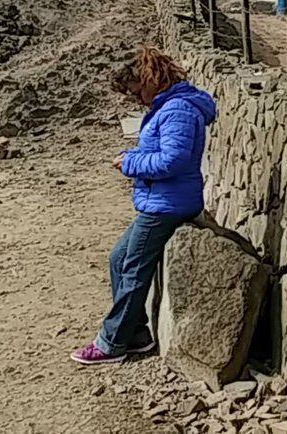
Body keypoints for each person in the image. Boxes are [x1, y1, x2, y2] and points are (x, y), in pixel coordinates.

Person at [71, 46, 217, 365]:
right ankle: (136, 334)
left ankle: (112, 343)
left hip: (168, 204)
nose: (138, 100)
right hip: (164, 200)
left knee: (132, 267)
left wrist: (130, 162)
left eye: (138, 91)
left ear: (152, 78)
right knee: (119, 257)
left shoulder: (177, 110)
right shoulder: (170, 107)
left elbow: (173, 160)